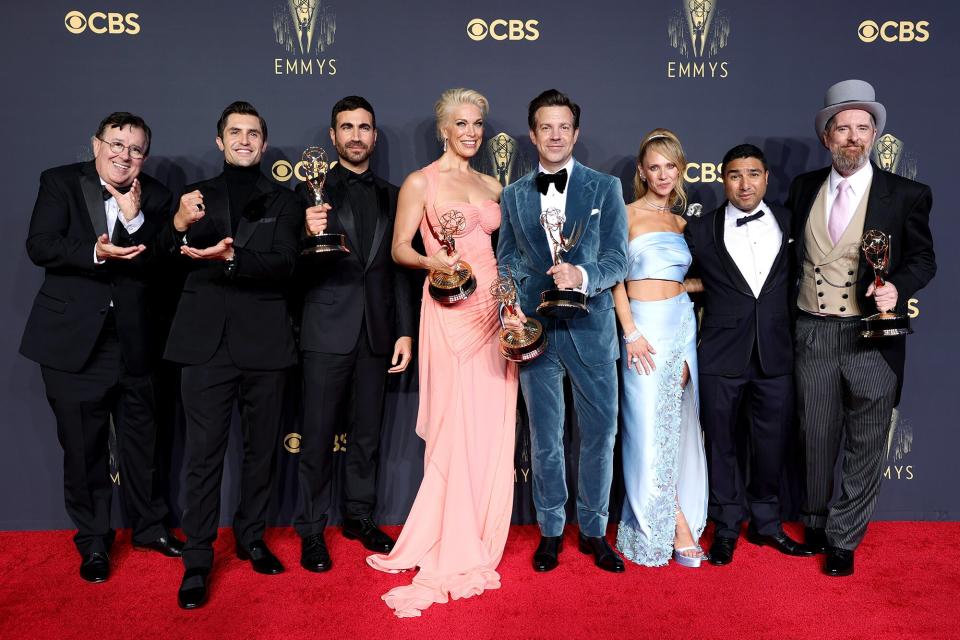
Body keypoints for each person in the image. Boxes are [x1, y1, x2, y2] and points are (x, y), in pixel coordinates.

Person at [366, 88, 517, 618]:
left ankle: (477, 525)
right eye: (461, 123)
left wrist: (511, 305)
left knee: (490, 424)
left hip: (492, 315)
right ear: (443, 129)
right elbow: (399, 248)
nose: (472, 131)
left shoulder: (492, 183)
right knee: (456, 427)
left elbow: (504, 252)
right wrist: (438, 266)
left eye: (477, 123)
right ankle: (446, 537)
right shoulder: (421, 181)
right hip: (451, 311)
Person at [20, 112, 183, 583]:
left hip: (135, 343)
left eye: (134, 149)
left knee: (143, 445)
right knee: (83, 449)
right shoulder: (60, 182)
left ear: (144, 156)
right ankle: (93, 542)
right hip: (74, 344)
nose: (123, 155)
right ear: (95, 145)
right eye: (115, 144)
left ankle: (150, 528)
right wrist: (95, 252)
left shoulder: (155, 196)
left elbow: (159, 267)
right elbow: (41, 245)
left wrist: (133, 224)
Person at [786, 79, 935, 576]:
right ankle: (814, 521)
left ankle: (845, 538)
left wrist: (899, 288)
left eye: (862, 128)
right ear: (827, 137)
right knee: (816, 434)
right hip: (814, 331)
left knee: (868, 439)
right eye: (842, 128)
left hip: (873, 337)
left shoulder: (907, 194)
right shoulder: (804, 187)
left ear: (874, 135)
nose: (853, 137)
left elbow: (923, 259)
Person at [162, 101, 302, 608]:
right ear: (219, 141)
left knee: (261, 451)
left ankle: (251, 537)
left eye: (253, 133)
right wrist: (177, 226)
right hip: (203, 346)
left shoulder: (285, 201)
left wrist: (231, 257)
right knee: (202, 457)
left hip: (264, 343)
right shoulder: (193, 198)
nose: (243, 140)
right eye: (234, 132)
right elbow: (160, 263)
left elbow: (286, 264)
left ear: (263, 144)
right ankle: (197, 558)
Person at [497, 89, 628, 574]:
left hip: (592, 329)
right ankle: (551, 532)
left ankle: (594, 532)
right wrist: (509, 305)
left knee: (600, 435)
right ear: (532, 134)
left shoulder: (605, 187)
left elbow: (619, 257)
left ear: (576, 132)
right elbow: (507, 258)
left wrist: (584, 275)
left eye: (563, 127)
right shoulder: (512, 195)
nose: (555, 135)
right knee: (545, 438)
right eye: (545, 127)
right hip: (537, 333)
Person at [294, 95, 415, 572]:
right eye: (347, 127)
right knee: (318, 436)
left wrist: (405, 331)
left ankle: (358, 517)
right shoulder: (309, 192)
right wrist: (307, 235)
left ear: (374, 136)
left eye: (364, 127)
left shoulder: (394, 193)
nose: (356, 136)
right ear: (333, 136)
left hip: (378, 332)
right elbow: (291, 267)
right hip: (325, 329)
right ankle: (310, 529)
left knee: (367, 436)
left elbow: (401, 270)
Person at [685, 143, 812, 566]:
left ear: (766, 178)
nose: (745, 183)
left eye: (753, 174)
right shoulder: (700, 231)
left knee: (772, 444)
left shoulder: (791, 220)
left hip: (777, 354)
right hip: (720, 355)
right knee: (720, 444)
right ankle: (724, 527)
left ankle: (766, 523)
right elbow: (679, 281)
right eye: (736, 175)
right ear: (724, 180)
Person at [611, 129, 707, 567]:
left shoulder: (684, 224)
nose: (663, 174)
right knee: (646, 428)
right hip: (642, 329)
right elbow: (614, 277)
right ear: (642, 172)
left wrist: (682, 287)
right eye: (655, 166)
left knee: (673, 425)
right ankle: (671, 523)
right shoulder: (625, 213)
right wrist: (629, 331)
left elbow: (695, 278)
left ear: (680, 169)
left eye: (671, 166)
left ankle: (679, 514)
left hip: (681, 327)